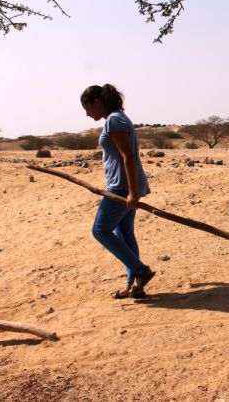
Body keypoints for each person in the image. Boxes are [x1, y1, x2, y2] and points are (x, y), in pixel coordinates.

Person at [81, 84, 155, 299]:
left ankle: (141, 271)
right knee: (124, 234)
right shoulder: (118, 118)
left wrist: (132, 192)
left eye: (87, 108)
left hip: (122, 186)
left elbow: (128, 156)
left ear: (97, 102)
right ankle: (135, 286)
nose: (87, 114)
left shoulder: (114, 119)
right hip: (124, 184)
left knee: (100, 231)